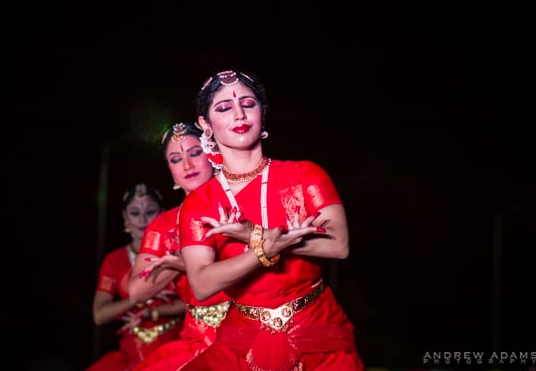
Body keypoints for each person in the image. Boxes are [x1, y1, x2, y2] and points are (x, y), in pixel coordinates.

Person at [178, 69, 365, 371]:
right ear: (205, 124)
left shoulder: (305, 175)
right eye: (224, 108)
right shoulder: (199, 204)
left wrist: (256, 234)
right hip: (243, 341)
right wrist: (264, 249)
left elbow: (338, 245)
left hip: (317, 333)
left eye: (248, 104)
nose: (239, 114)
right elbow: (201, 283)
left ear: (263, 112)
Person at [128, 122, 232, 371]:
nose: (187, 165)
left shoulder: (242, 208)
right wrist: (181, 265)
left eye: (195, 153)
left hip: (250, 334)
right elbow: (136, 292)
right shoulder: (163, 226)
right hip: (197, 339)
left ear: (211, 153)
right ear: (170, 171)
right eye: (176, 159)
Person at [87, 183, 186, 371]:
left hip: (174, 347)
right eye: (134, 213)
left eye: (150, 212)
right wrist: (140, 296)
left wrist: (156, 312)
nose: (142, 219)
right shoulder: (115, 260)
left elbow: (199, 298)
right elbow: (99, 315)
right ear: (125, 218)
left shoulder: (177, 252)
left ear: (162, 214)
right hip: (131, 351)